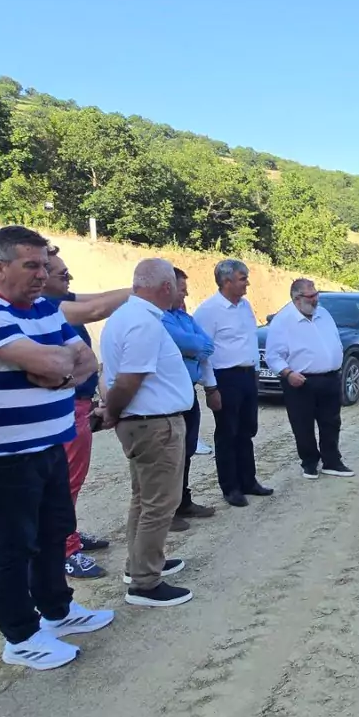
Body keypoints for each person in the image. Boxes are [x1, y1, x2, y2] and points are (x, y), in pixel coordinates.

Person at [0, 226, 114, 671]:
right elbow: (58, 359)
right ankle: (21, 637)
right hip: (4, 457)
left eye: (45, 265)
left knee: (52, 533)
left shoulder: (45, 309)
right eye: (32, 265)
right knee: (14, 546)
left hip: (49, 444)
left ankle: (57, 611)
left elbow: (85, 360)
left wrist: (54, 373)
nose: (42, 274)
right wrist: (55, 366)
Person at [99, 259, 196, 606]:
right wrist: (112, 412)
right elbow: (128, 381)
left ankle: (140, 563)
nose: (180, 294)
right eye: (177, 287)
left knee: (144, 499)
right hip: (154, 424)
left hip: (145, 423)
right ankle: (145, 583)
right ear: (166, 287)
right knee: (160, 504)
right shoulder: (143, 323)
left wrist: (114, 412)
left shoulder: (125, 317)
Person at [41, 251, 130, 579]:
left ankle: (69, 534)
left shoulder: (61, 301)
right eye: (61, 274)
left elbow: (100, 298)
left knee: (70, 480)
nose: (69, 278)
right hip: (67, 405)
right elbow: (97, 309)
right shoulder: (49, 307)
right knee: (65, 482)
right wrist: (143, 289)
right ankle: (65, 549)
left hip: (77, 404)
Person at [193, 258, 272, 507]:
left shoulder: (245, 306)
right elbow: (203, 352)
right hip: (225, 378)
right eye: (242, 279)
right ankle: (231, 487)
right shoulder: (208, 311)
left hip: (247, 376)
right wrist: (211, 387)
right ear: (226, 281)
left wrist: (256, 371)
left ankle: (248, 481)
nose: (247, 283)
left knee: (247, 431)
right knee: (228, 433)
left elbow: (250, 340)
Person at [267, 278, 352, 479]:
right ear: (297, 298)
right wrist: (288, 373)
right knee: (303, 425)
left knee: (331, 422)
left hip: (330, 378)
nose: (316, 299)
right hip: (300, 381)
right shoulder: (283, 320)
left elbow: (334, 340)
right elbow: (273, 356)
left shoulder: (323, 313)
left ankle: (332, 461)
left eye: (316, 294)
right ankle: (310, 463)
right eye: (311, 296)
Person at [162, 267, 219, 525]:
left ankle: (183, 502)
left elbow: (207, 344)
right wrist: (192, 348)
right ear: (168, 288)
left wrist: (191, 349)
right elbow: (193, 344)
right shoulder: (160, 319)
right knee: (170, 454)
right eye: (182, 289)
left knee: (187, 449)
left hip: (189, 391)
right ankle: (167, 511)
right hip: (170, 395)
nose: (186, 294)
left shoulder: (184, 317)